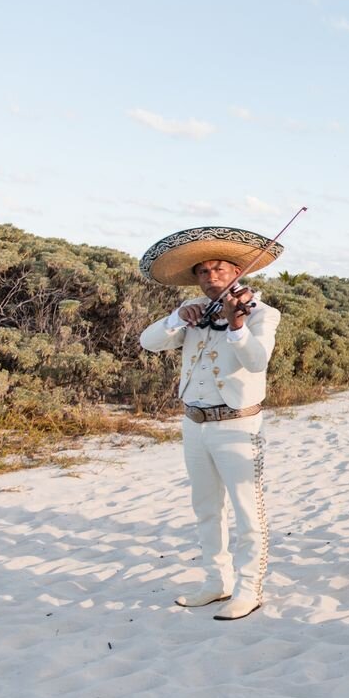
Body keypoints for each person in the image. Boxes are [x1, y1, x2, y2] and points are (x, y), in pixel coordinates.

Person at [139, 226, 283, 621]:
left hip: (238, 424)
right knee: (205, 507)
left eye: (219, 269)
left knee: (246, 509)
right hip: (194, 423)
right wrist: (175, 318)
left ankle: (248, 587)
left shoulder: (262, 314)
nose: (211, 277)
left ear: (238, 270)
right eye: (203, 272)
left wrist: (237, 326)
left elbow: (256, 361)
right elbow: (148, 341)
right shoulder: (192, 312)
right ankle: (215, 581)